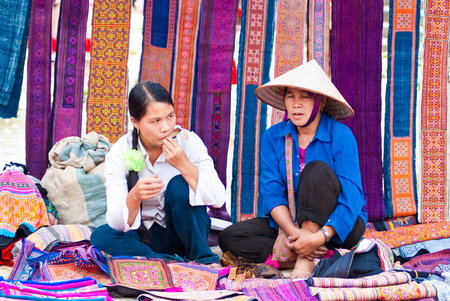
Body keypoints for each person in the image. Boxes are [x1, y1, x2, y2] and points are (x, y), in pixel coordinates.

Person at [219, 60, 367, 278]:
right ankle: (317, 254)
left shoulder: (340, 135)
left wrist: (319, 236)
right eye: (291, 96)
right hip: (293, 222)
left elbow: (352, 197)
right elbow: (272, 194)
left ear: (321, 101)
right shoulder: (274, 136)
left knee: (315, 170)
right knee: (230, 238)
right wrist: (296, 234)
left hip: (338, 226)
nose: (296, 104)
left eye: (304, 97)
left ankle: (305, 260)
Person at [91, 81, 226, 264]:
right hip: (143, 237)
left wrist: (184, 164)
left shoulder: (189, 142)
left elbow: (217, 199)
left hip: (184, 235)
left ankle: (200, 258)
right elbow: (117, 222)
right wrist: (135, 196)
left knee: (180, 185)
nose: (166, 127)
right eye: (155, 121)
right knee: (101, 237)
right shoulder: (120, 151)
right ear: (135, 122)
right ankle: (170, 262)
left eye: (170, 116)